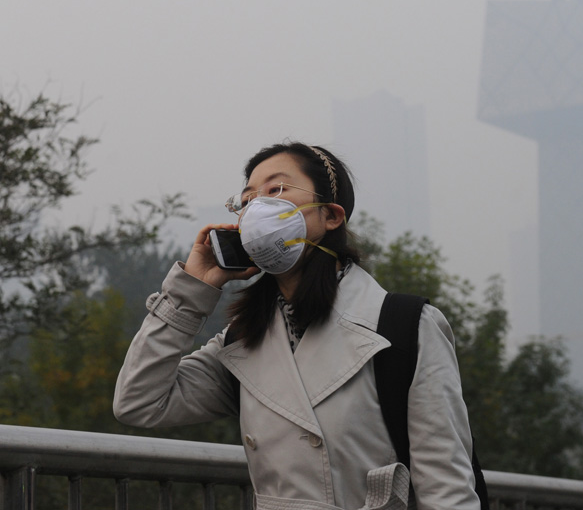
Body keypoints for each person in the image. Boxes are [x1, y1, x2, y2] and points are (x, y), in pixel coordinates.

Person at [113, 142, 481, 510]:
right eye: (247, 200)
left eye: (276, 189)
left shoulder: (404, 327)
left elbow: (447, 491)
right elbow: (139, 402)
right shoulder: (243, 342)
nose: (256, 208)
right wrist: (191, 291)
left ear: (330, 216)